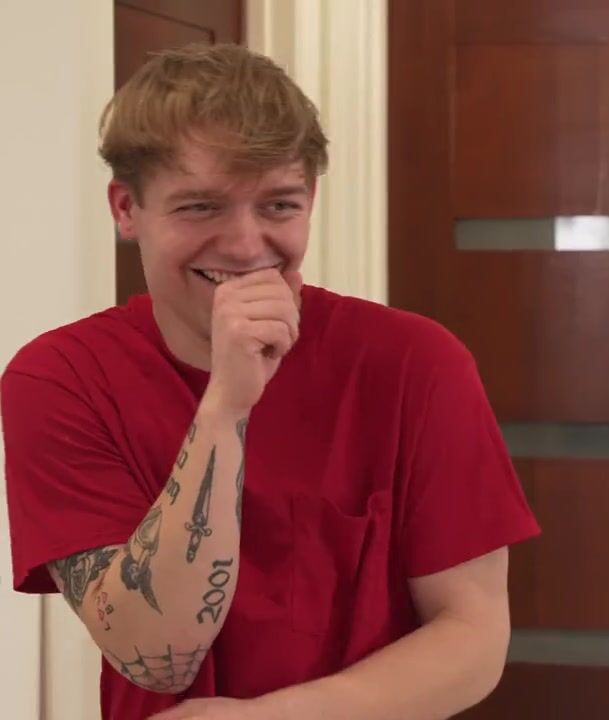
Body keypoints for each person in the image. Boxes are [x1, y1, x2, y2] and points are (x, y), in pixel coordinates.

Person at [1, 43, 540, 720]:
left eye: (279, 206)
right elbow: (156, 654)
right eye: (200, 207)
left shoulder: (417, 363)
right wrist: (226, 407)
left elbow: (473, 636)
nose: (245, 245)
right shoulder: (60, 380)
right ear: (126, 208)